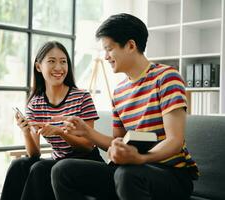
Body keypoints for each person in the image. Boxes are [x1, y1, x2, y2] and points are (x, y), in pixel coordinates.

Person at [51, 13, 199, 200]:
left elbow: (174, 141)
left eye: (109, 49)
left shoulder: (167, 77)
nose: (105, 57)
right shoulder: (119, 91)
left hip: (171, 174)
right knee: (63, 170)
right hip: (132, 170)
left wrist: (141, 159)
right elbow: (118, 142)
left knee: (127, 173)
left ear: (130, 45)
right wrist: (87, 132)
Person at [0, 41, 104, 200]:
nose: (59, 67)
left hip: (86, 161)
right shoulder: (35, 104)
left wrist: (60, 132)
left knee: (41, 168)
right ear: (38, 67)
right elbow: (34, 154)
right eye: (51, 61)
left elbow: (87, 146)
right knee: (18, 165)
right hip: (57, 162)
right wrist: (26, 131)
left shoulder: (82, 97)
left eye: (63, 62)